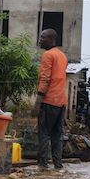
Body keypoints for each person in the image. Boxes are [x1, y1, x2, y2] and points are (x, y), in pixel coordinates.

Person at [31, 29, 68, 169]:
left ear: (51, 40)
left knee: (44, 133)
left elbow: (45, 79)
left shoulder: (48, 55)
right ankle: (58, 165)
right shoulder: (62, 56)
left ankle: (43, 165)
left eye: (43, 37)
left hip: (49, 100)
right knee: (57, 135)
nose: (40, 39)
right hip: (61, 102)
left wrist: (37, 103)